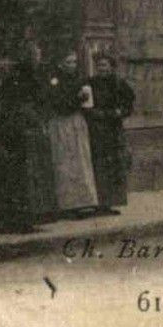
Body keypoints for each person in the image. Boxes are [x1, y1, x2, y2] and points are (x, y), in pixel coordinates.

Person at [0, 44, 57, 233]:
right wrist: (36, 121)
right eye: (37, 55)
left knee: (17, 175)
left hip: (13, 130)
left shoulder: (22, 77)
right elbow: (26, 103)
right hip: (17, 132)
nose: (39, 58)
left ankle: (17, 219)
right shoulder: (24, 77)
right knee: (18, 175)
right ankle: (17, 220)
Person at [44, 49, 99, 218]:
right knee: (64, 162)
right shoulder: (54, 80)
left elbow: (87, 104)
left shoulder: (78, 79)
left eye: (74, 62)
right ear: (60, 63)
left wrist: (83, 100)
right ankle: (66, 205)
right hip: (61, 124)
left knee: (80, 161)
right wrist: (77, 99)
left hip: (76, 123)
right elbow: (58, 103)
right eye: (68, 62)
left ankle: (82, 203)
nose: (72, 66)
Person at [84, 51, 135, 214]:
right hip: (96, 129)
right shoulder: (90, 83)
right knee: (97, 165)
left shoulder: (119, 84)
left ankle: (110, 203)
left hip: (113, 130)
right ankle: (97, 202)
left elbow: (128, 104)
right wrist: (93, 114)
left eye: (105, 65)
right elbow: (86, 105)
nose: (101, 69)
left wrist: (119, 113)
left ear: (111, 67)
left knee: (113, 166)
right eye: (99, 66)